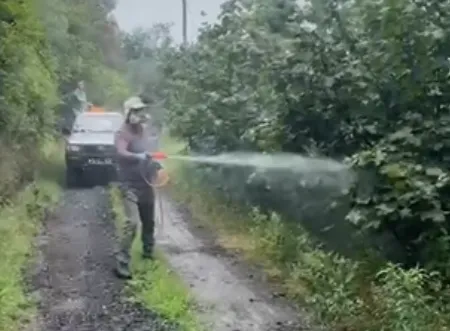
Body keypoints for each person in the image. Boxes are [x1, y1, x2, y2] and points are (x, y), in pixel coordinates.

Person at [114, 96, 162, 279]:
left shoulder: (143, 130)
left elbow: (151, 150)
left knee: (149, 221)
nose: (138, 115)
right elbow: (121, 151)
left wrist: (155, 163)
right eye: (135, 111)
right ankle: (122, 263)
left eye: (140, 111)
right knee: (132, 223)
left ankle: (148, 253)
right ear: (128, 113)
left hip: (145, 183)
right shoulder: (122, 133)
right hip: (129, 186)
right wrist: (137, 156)